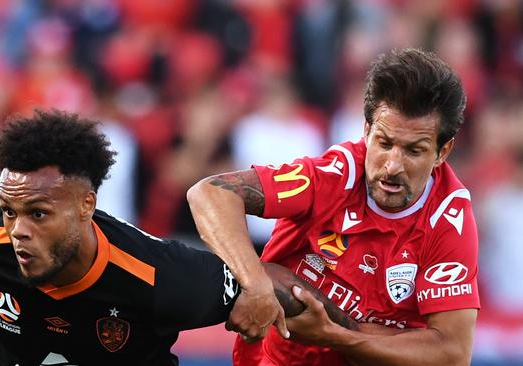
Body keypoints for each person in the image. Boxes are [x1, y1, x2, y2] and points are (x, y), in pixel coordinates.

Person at [187, 48, 480, 365]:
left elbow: (453, 353)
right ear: (367, 131)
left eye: (414, 150)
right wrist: (256, 284)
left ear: (442, 152)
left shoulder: (448, 219)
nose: (393, 165)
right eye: (384, 143)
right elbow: (210, 193)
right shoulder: (332, 176)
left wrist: (336, 335)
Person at [0, 110, 245, 365]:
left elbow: (261, 289)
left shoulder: (163, 276)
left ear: (86, 206)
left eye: (38, 214)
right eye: (9, 211)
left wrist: (259, 295)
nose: (18, 230)